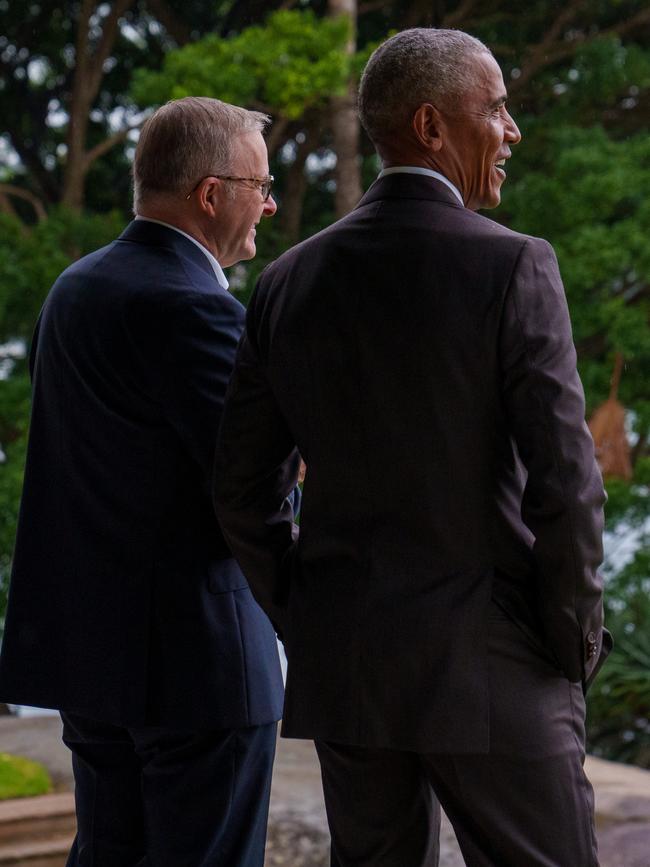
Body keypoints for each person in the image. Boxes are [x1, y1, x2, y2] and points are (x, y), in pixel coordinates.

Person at [213, 29, 612, 867]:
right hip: (498, 663)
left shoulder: (287, 282)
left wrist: (309, 613)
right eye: (496, 108)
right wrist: (572, 642)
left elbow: (241, 490)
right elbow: (567, 484)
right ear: (431, 126)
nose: (511, 130)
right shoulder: (515, 266)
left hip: (352, 668)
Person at [0, 96, 284, 867]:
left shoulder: (76, 289)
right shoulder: (194, 306)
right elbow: (252, 481)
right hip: (198, 666)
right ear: (211, 192)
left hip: (93, 659)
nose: (269, 203)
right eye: (261, 185)